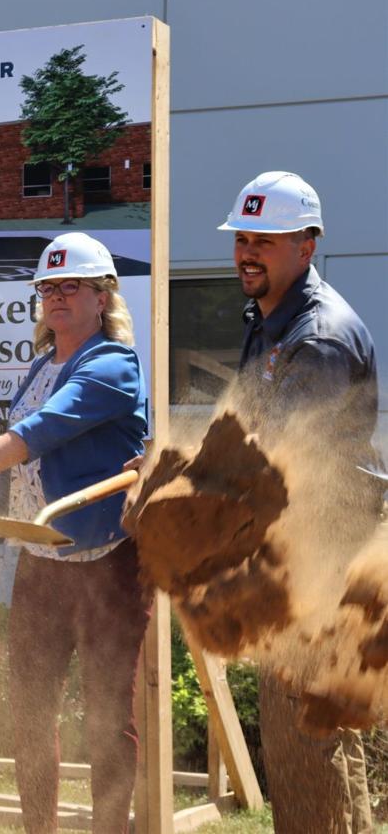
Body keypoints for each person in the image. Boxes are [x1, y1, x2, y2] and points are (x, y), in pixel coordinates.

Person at [0, 233, 148, 834]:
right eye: (48, 287)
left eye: (71, 285)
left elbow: (41, 431)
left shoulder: (113, 365)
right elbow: (24, 465)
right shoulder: (40, 364)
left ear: (103, 297)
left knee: (108, 718)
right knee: (29, 711)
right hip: (40, 561)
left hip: (106, 566)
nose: (56, 296)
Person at [220, 171, 377, 834]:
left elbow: (278, 460)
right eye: (242, 239)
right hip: (299, 553)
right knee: (319, 736)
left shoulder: (316, 340)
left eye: (264, 240)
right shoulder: (270, 319)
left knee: (307, 742)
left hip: (320, 562)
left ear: (306, 246)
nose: (246, 252)